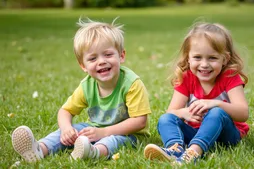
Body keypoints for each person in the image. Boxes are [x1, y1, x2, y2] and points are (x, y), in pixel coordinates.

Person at [11, 18, 152, 163]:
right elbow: (65, 111)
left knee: (114, 140)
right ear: (83, 65)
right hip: (95, 128)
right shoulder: (87, 85)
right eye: (92, 58)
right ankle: (40, 149)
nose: (101, 61)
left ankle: (94, 152)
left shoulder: (131, 84)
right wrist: (67, 129)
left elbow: (139, 122)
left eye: (108, 54)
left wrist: (103, 132)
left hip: (131, 135)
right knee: (74, 130)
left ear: (121, 56)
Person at [144, 22, 249, 165]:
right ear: (188, 58)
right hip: (195, 132)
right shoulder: (186, 78)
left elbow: (243, 113)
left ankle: (193, 152)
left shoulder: (230, 76)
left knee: (216, 113)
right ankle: (175, 149)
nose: (204, 64)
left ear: (225, 59)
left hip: (226, 136)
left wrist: (216, 103)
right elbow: (171, 112)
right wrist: (184, 113)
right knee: (165, 119)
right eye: (197, 57)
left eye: (212, 58)